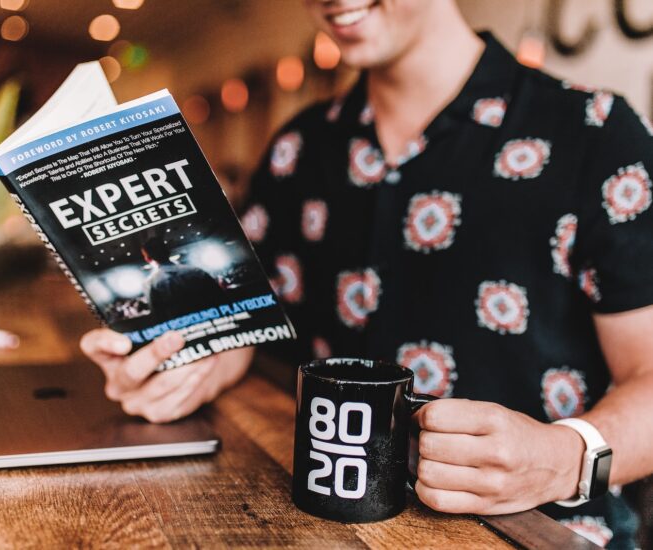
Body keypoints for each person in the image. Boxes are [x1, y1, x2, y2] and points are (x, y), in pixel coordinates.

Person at [81, 0, 653, 545]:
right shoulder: (299, 149)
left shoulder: (595, 133)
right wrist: (196, 361)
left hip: (540, 532)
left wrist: (564, 459)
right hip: (325, 527)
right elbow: (265, 326)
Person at [140, 236, 227, 321]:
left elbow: (158, 316)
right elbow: (220, 298)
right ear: (168, 251)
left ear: (147, 258)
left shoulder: (150, 283)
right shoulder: (197, 271)